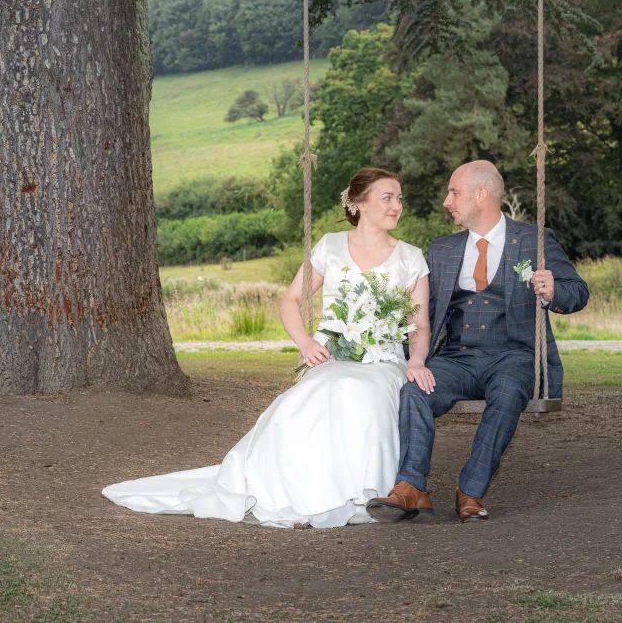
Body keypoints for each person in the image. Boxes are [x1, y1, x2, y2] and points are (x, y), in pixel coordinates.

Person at [102, 168, 434, 528]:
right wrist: (306, 343)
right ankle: (289, 485)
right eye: (388, 197)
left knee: (358, 391)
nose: (397, 205)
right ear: (359, 203)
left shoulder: (410, 257)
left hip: (383, 361)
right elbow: (291, 300)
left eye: (399, 198)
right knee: (310, 394)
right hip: (334, 356)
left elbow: (420, 323)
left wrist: (416, 361)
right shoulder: (331, 246)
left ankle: (363, 491)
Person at [367, 160, 589, 524]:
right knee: (414, 391)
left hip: (513, 355)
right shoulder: (442, 249)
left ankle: (470, 490)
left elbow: (578, 292)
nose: (446, 201)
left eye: (454, 192)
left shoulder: (533, 240)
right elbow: (421, 311)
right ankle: (411, 487)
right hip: (456, 357)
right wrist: (404, 354)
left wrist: (553, 292)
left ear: (481, 195)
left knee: (507, 394)